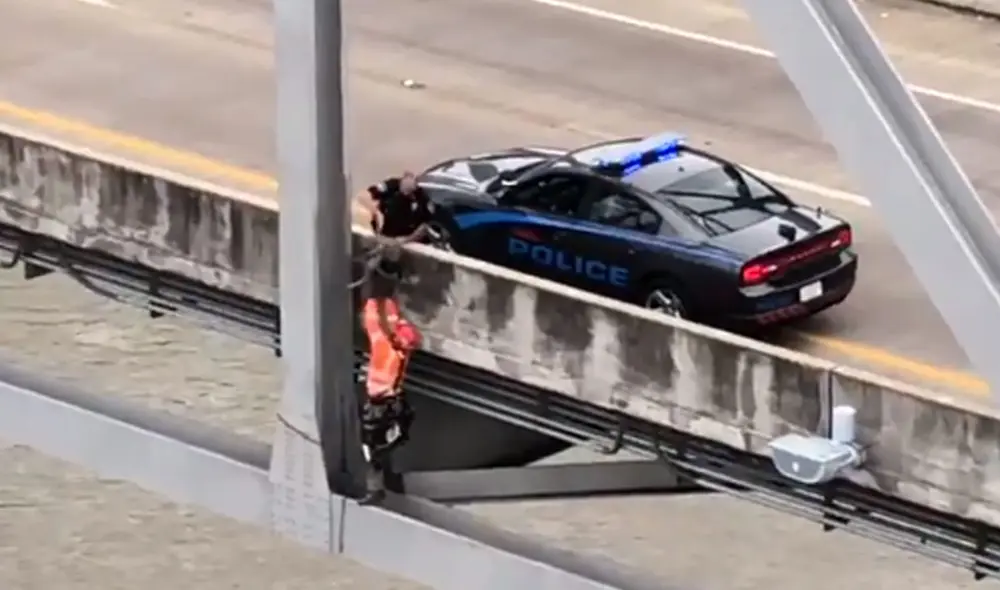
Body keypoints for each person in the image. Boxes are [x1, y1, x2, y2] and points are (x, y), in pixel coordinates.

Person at [354, 171, 434, 244]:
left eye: (408, 193)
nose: (406, 194)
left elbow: (426, 225)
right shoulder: (392, 185)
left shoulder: (422, 199)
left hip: (401, 238)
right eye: (404, 191)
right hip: (382, 232)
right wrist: (376, 213)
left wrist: (407, 239)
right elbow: (363, 195)